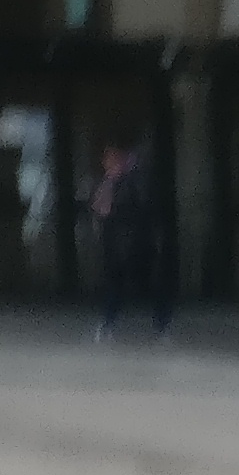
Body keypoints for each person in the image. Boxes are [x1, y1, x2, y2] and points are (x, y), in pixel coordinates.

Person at [88, 142, 173, 344]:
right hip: (116, 244)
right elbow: (98, 209)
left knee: (150, 286)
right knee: (115, 286)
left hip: (136, 242)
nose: (107, 164)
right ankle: (108, 325)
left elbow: (143, 209)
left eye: (111, 159)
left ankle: (162, 326)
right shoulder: (108, 182)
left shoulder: (136, 181)